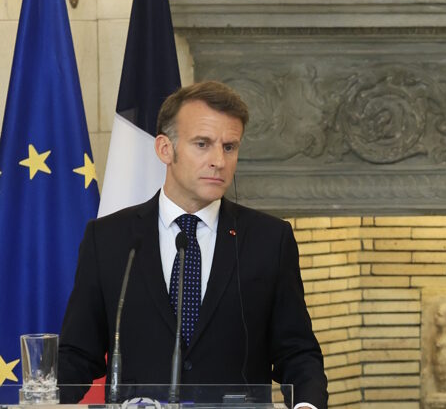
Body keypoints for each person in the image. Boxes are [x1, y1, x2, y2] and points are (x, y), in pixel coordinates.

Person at [58, 81, 327, 408]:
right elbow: (77, 354)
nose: (219, 161)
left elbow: (297, 353)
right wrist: (44, 399)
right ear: (164, 149)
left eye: (229, 147)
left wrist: (306, 405)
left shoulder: (270, 239)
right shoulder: (109, 238)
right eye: (203, 144)